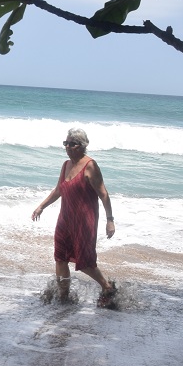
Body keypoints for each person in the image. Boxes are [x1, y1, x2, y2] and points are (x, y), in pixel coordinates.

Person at [31, 128, 118, 307]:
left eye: (72, 144)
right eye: (66, 143)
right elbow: (59, 190)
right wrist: (41, 206)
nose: (68, 147)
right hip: (65, 219)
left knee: (84, 261)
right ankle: (63, 297)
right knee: (60, 257)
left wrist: (110, 220)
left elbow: (103, 194)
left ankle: (107, 287)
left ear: (82, 146)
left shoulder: (90, 166)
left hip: (84, 221)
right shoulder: (66, 165)